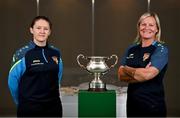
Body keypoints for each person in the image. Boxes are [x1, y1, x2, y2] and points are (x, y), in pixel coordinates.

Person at [8, 16, 63, 117]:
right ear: (31, 30)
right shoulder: (22, 54)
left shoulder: (56, 53)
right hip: (29, 108)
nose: (42, 31)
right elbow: (13, 82)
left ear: (50, 32)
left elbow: (58, 77)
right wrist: (21, 102)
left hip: (53, 107)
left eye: (46, 29)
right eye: (38, 28)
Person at [118, 12, 168, 117]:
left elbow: (147, 75)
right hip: (132, 105)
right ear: (139, 27)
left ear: (157, 29)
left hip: (153, 106)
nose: (146, 27)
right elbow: (120, 75)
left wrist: (127, 68)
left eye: (151, 25)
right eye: (143, 24)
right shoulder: (131, 48)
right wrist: (140, 74)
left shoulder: (161, 49)